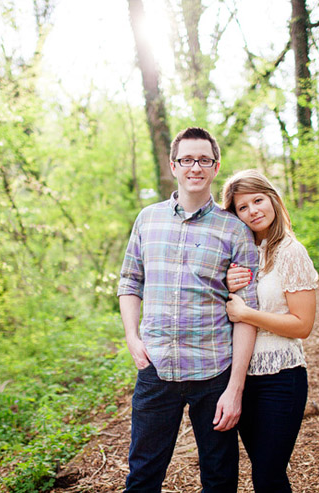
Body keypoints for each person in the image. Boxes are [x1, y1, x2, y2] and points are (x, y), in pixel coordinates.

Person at [117, 127, 260, 492]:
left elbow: (247, 312)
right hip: (156, 368)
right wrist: (132, 337)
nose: (195, 167)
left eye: (204, 160)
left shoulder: (234, 230)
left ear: (215, 167)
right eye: (187, 160)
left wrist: (236, 388)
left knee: (219, 478)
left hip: (213, 372)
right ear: (173, 165)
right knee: (143, 476)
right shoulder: (147, 219)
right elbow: (130, 282)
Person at [221, 169, 318, 492]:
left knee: (268, 475)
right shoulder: (242, 254)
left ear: (273, 199)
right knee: (262, 473)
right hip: (241, 378)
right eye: (242, 207)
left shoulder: (291, 252)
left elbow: (302, 325)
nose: (253, 211)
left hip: (281, 377)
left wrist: (248, 313)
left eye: (257, 200)